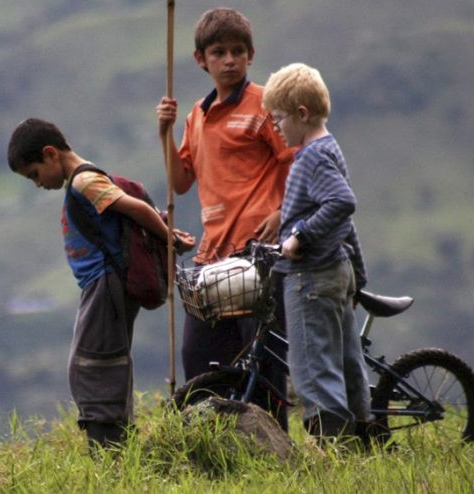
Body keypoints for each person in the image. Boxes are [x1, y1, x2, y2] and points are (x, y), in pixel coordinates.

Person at [7, 118, 196, 450]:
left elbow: (135, 208)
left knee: (92, 364)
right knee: (104, 359)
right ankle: (115, 439)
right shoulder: (85, 180)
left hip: (106, 285)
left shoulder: (84, 182)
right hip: (101, 286)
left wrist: (168, 240)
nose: (37, 183)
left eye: (34, 174)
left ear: (51, 154)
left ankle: (109, 448)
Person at [155, 7, 293, 430]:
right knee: (201, 361)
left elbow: (297, 159)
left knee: (263, 361)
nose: (229, 60)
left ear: (250, 55)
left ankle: (275, 448)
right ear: (201, 60)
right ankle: (211, 444)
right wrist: (165, 133)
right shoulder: (196, 115)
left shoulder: (267, 104)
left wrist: (282, 211)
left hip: (258, 254)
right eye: (219, 52)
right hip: (213, 257)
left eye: (237, 51)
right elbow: (180, 183)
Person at [262, 62, 371, 439]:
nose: (275, 127)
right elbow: (344, 223)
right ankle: (362, 435)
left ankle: (332, 449)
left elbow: (341, 203)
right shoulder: (330, 147)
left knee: (313, 366)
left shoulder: (311, 157)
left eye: (278, 119)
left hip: (310, 277)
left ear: (301, 114)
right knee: (346, 361)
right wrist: (357, 272)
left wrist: (299, 238)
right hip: (336, 270)